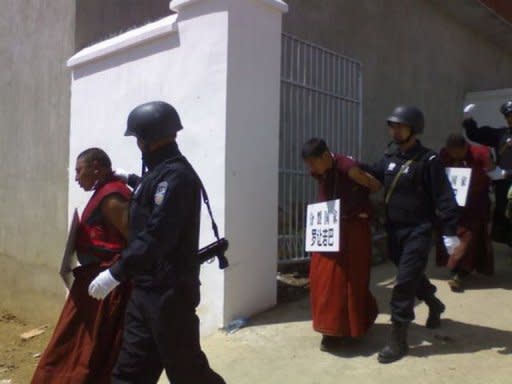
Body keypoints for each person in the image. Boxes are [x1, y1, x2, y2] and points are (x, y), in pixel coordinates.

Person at [88, 101, 225, 384]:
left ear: (146, 140)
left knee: (188, 373)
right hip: (145, 291)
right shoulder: (160, 173)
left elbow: (157, 235)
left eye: (138, 138)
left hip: (170, 295)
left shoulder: (177, 177)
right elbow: (153, 193)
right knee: (130, 372)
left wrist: (115, 273)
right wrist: (131, 178)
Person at [364, 106, 460, 364]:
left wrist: (450, 231)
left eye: (400, 126)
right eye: (392, 126)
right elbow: (373, 171)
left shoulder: (428, 161)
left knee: (404, 282)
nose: (395, 131)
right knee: (412, 274)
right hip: (394, 231)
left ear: (414, 129)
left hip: (419, 231)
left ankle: (398, 340)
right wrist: (348, 163)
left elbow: (444, 196)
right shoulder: (390, 156)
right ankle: (434, 303)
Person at [32, 148, 132, 384]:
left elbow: (135, 241)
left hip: (107, 287)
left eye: (79, 171)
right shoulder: (104, 191)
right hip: (91, 281)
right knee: (74, 346)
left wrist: (112, 276)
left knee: (88, 349)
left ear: (96, 167)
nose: (76, 178)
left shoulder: (112, 197)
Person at [302, 138, 381, 351]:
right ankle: (329, 329)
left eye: (313, 162)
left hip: (353, 230)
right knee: (322, 279)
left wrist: (362, 205)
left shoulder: (349, 168)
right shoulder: (321, 171)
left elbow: (374, 185)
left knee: (350, 279)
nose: (311, 168)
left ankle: (350, 328)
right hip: (329, 229)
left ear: (325, 156)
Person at [436, 134, 494, 292]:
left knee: (469, 237)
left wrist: (488, 167)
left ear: (465, 148)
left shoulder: (480, 153)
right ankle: (459, 268)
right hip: (454, 203)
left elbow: (490, 169)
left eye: (458, 152)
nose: (455, 155)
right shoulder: (444, 154)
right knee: (452, 234)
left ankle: (458, 272)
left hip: (476, 203)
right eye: (452, 152)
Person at [463, 101, 512, 245]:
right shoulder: (501, 134)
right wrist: (468, 120)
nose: (510, 119)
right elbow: (475, 134)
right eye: (508, 116)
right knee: (505, 217)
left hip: (506, 177)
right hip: (504, 185)